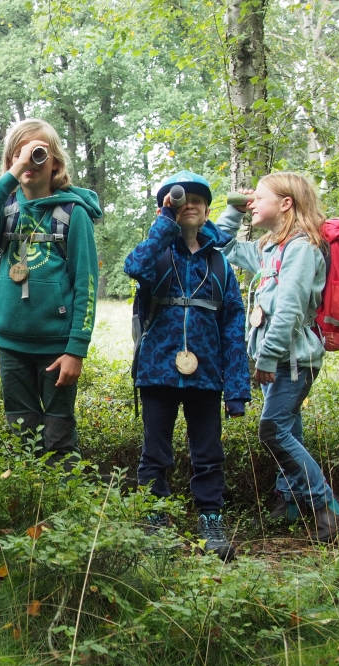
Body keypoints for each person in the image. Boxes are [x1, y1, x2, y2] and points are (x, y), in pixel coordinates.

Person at [215, 172, 339, 543]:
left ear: (286, 203)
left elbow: (290, 305)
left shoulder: (304, 247)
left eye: (259, 198)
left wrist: (268, 358)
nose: (253, 203)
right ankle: (290, 502)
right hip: (278, 359)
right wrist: (232, 210)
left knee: (272, 429)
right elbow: (218, 250)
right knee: (289, 428)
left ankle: (326, 507)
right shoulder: (269, 247)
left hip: (293, 360)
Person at [124, 170, 251, 561]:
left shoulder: (219, 264)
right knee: (155, 451)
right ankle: (155, 519)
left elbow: (233, 325)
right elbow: (134, 267)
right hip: (157, 371)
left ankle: (211, 520)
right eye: (180, 200)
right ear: (167, 209)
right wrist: (164, 223)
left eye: (197, 199)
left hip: (208, 376)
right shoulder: (156, 253)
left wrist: (238, 388)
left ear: (208, 209)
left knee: (208, 452)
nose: (189, 204)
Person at [0, 119, 102, 466]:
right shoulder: (6, 210)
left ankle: (63, 511)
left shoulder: (74, 215)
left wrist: (76, 349)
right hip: (12, 344)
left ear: (56, 163)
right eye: (20, 154)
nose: (29, 162)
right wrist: (16, 168)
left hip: (56, 347)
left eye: (38, 154)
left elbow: (87, 285)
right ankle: (28, 508)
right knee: (20, 432)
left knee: (58, 434)